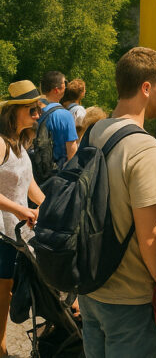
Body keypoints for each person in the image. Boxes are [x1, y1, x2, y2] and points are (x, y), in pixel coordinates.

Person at [79, 48, 156, 358]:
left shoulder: (93, 133)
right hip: (130, 299)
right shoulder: (144, 147)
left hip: (91, 288)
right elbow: (150, 236)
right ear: (147, 87)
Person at [0, 82, 46, 356]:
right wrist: (19, 210)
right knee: (2, 291)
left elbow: (30, 186)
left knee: (7, 291)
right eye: (33, 109)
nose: (38, 114)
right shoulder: (1, 143)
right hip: (3, 230)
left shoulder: (19, 143)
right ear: (15, 110)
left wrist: (51, 206)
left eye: (39, 108)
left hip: (15, 230)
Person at [37, 70, 79, 169]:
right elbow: (71, 151)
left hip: (33, 171)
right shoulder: (65, 115)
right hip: (56, 174)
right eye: (65, 84)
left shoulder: (32, 111)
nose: (66, 87)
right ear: (56, 90)